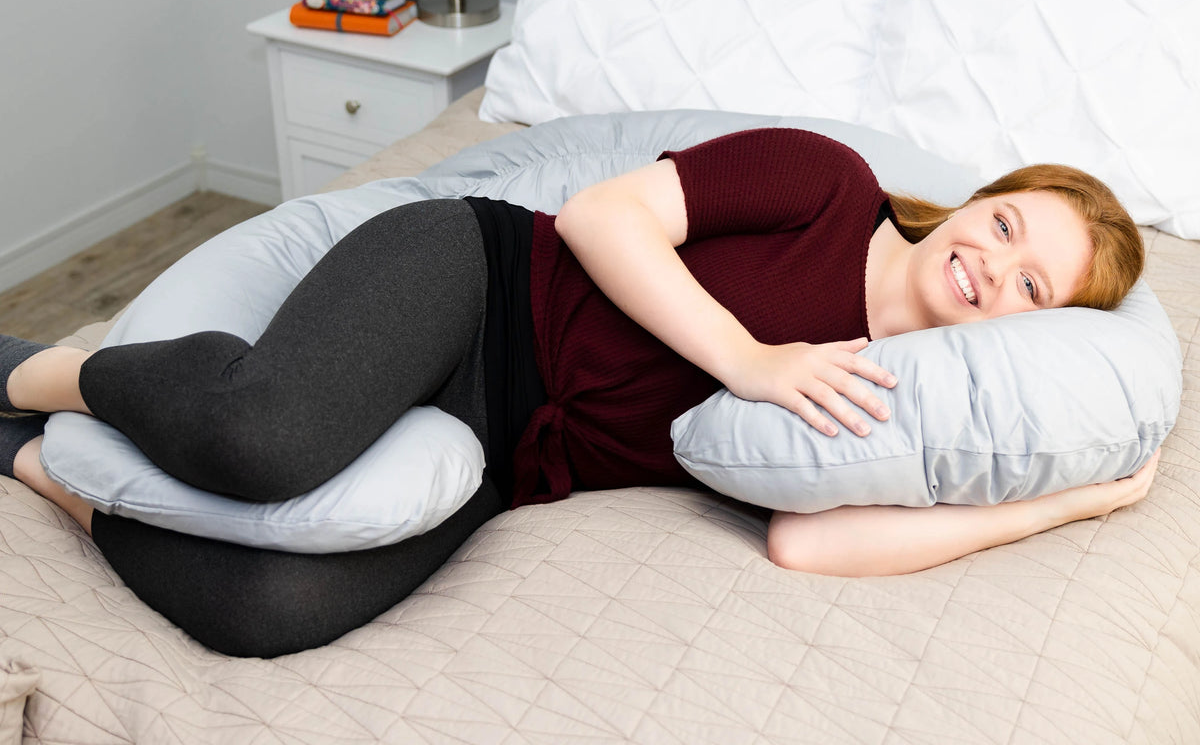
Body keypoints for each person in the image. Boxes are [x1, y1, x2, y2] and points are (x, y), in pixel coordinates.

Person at [0, 128, 1154, 658]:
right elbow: (607, 213)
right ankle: (36, 367)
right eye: (1004, 223)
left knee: (266, 613)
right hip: (477, 280)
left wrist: (1075, 502)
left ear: (1034, 327)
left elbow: (808, 543)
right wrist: (751, 358)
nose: (992, 264)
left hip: (507, 448)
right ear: (973, 199)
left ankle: (33, 459)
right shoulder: (827, 183)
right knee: (266, 438)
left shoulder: (911, 398)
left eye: (1029, 283)